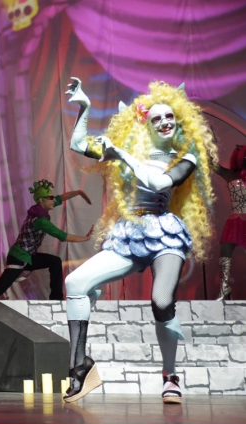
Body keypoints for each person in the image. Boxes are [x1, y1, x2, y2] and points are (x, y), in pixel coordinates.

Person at [63, 77, 217, 404]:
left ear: (179, 120)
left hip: (165, 236)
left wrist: (121, 154)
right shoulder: (132, 150)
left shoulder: (185, 156)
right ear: (146, 124)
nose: (164, 122)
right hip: (131, 234)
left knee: (161, 301)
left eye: (169, 116)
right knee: (75, 282)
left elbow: (159, 183)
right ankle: (79, 366)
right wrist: (85, 108)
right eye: (156, 118)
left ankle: (170, 375)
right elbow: (78, 145)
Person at [0, 179, 93, 300]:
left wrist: (79, 192)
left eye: (53, 197)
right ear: (42, 200)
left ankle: (56, 299)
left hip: (28, 256)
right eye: (51, 198)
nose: (54, 200)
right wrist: (86, 238)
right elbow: (63, 236)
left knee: (55, 261)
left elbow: (61, 198)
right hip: (19, 257)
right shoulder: (40, 220)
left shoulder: (39, 209)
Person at [213, 144, 246, 301]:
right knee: (225, 251)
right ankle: (224, 287)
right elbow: (212, 165)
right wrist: (209, 145)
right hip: (236, 219)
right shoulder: (230, 174)